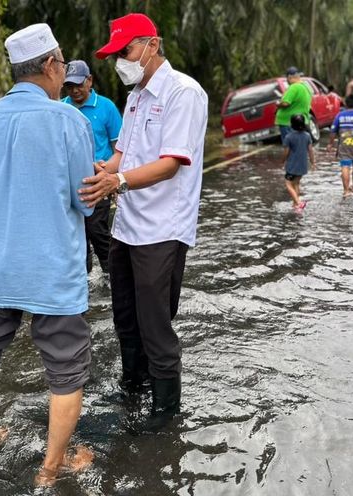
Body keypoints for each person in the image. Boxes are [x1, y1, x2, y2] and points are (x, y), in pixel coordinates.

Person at [0, 24, 95, 486]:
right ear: (52, 65)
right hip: (51, 269)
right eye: (63, 63)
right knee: (66, 371)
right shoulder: (69, 120)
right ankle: (51, 469)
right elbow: (85, 199)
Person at [79, 13, 208, 431]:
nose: (120, 61)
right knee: (125, 317)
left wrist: (117, 181)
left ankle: (166, 411)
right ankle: (132, 386)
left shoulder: (183, 92)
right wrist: (105, 169)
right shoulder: (136, 96)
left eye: (126, 50)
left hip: (163, 227)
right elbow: (125, 153)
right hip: (127, 225)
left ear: (153, 44)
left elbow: (171, 163)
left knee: (155, 323)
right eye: (115, 54)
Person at [62, 60, 122, 275]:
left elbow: (120, 148)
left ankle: (111, 273)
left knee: (97, 230)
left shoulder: (106, 107)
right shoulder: (61, 109)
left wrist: (115, 177)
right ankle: (83, 277)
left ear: (90, 81)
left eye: (79, 84)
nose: (75, 90)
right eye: (69, 86)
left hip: (98, 180)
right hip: (70, 183)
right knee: (76, 234)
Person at [281, 114, 316, 212]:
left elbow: (286, 152)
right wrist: (312, 162)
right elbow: (310, 151)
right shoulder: (307, 135)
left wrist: (282, 161)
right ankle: (295, 205)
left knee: (288, 184)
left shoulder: (289, 137)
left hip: (292, 166)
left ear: (291, 124)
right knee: (296, 184)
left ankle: (298, 203)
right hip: (303, 166)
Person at [275, 66, 313, 143]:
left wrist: (278, 104)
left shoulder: (293, 87)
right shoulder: (306, 87)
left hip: (288, 122)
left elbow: (286, 103)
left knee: (289, 146)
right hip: (301, 121)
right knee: (299, 144)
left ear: (289, 77)